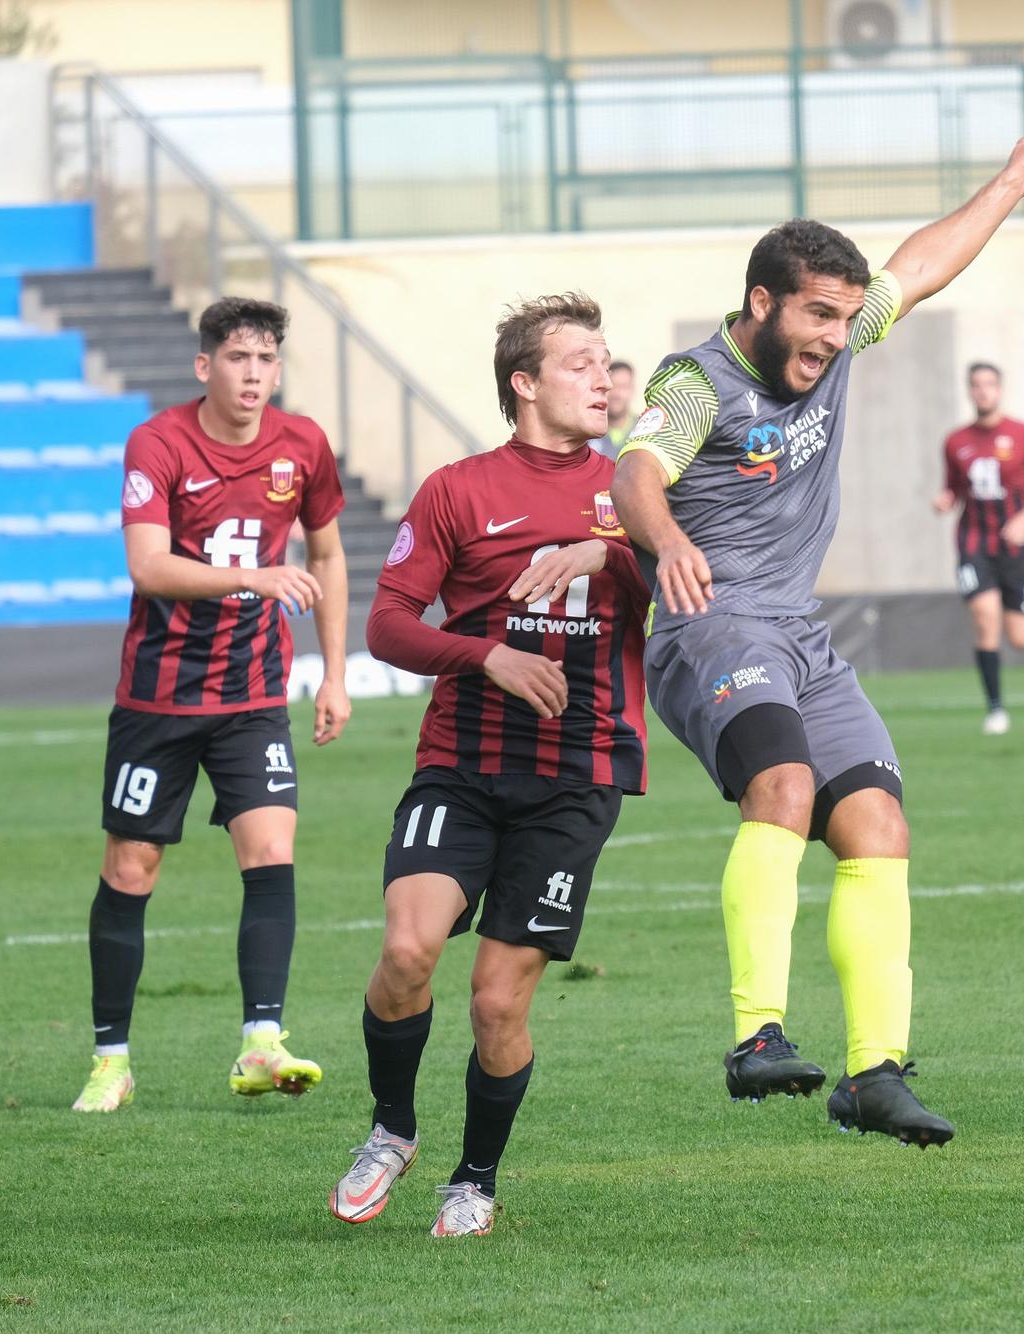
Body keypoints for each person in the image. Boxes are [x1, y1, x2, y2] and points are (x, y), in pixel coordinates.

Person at [611, 120, 1024, 1147]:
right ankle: (755, 1034)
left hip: (797, 633)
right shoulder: (696, 382)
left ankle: (872, 1072)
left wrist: (1005, 184)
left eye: (845, 318)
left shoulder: (839, 337)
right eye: (815, 314)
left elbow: (920, 264)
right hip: (710, 624)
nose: (831, 336)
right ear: (761, 301)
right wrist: (668, 535)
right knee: (782, 784)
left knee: (876, 823)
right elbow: (635, 469)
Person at [331, 293, 649, 1238]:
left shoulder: (638, 492)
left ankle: (475, 1178)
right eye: (580, 361)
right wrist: (487, 656)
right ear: (525, 382)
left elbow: (693, 581)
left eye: (606, 361)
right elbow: (388, 624)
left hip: (577, 775)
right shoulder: (458, 489)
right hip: (460, 768)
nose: (604, 375)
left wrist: (608, 548)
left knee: (496, 1005)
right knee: (405, 951)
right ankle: (392, 1128)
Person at [73, 297, 351, 1114]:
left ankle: (262, 1042)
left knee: (271, 854)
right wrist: (255, 577)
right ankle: (110, 1060)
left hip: (254, 694)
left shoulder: (303, 445)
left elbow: (329, 557)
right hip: (158, 698)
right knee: (132, 868)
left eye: (266, 359)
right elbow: (149, 567)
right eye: (238, 358)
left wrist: (333, 674)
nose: (254, 374)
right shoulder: (158, 443)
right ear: (206, 366)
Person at [934, 361, 1024, 734]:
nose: (983, 391)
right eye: (976, 385)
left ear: (1000, 390)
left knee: (1020, 639)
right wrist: (945, 498)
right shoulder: (956, 441)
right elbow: (954, 488)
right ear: (970, 391)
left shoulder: (1023, 435)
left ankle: (1014, 606)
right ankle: (995, 708)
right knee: (985, 620)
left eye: (989, 384)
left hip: (1017, 549)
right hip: (974, 544)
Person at [590, 359, 636, 458]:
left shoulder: (645, 432)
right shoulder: (588, 433)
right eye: (612, 386)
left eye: (623, 387)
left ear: (632, 390)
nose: (616, 394)